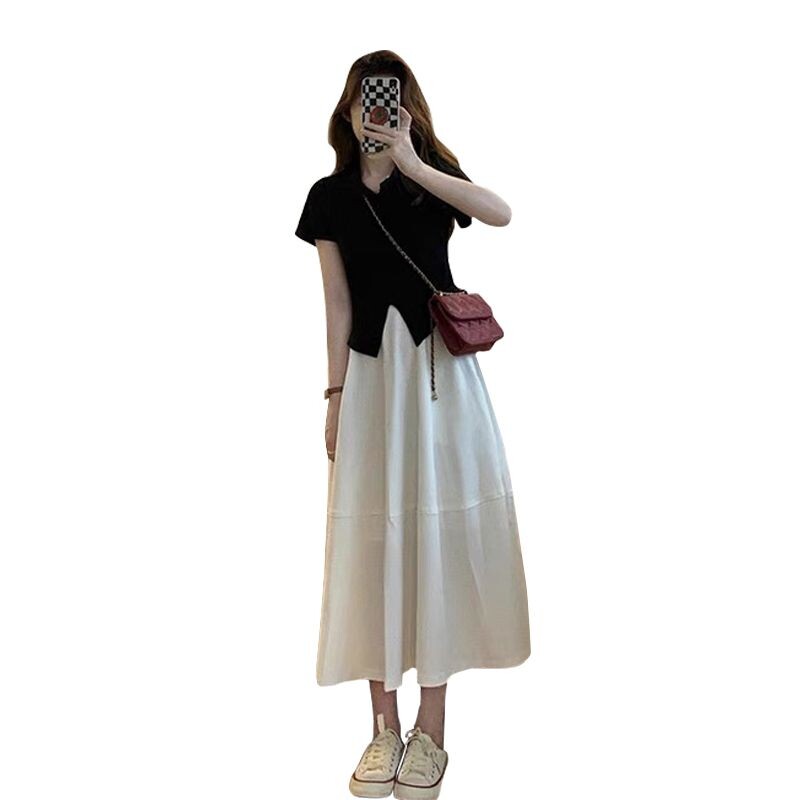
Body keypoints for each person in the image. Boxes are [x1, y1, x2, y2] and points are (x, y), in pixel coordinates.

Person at [295, 51, 531, 800]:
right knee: (374, 538)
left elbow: (499, 211)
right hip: (371, 381)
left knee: (435, 535)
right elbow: (337, 303)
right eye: (365, 98)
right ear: (348, 108)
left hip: (440, 382)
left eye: (388, 99)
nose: (375, 110)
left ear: (406, 107)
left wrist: (411, 161)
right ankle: (382, 728)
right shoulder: (328, 198)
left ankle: (431, 730)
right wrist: (334, 395)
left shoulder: (430, 178)